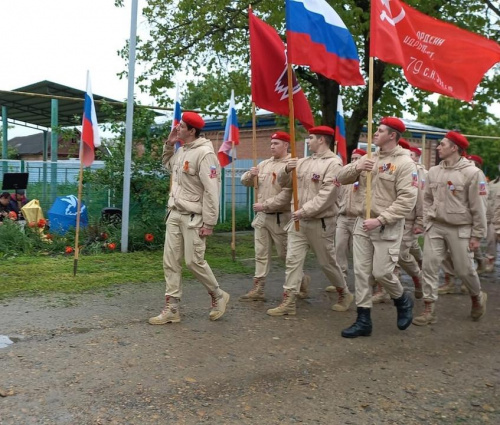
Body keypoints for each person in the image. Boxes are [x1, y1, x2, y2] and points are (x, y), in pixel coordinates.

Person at [337, 117, 417, 338]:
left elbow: (406, 201)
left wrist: (381, 220)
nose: (375, 133)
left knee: (381, 272)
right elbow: (340, 178)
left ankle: (402, 299)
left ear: (392, 135)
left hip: (386, 225)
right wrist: (357, 165)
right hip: (362, 222)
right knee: (361, 274)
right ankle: (363, 320)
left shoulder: (405, 163)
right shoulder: (369, 159)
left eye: (379, 131)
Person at [149, 111, 230, 324]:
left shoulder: (205, 154)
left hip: (194, 216)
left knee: (194, 261)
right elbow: (168, 165)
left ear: (192, 131)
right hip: (174, 213)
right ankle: (172, 309)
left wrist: (210, 222)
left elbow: (212, 191)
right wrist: (170, 143)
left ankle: (218, 295)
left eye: (181, 126)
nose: (177, 128)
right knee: (171, 261)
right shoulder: (182, 150)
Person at [266, 126, 354, 316]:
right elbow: (284, 183)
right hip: (299, 221)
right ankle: (288, 301)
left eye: (311, 137)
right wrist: (286, 170)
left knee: (327, 263)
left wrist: (304, 211)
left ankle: (344, 293)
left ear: (321, 140)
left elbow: (327, 196)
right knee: (292, 260)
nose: (308, 141)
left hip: (320, 222)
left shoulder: (334, 164)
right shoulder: (304, 162)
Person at [413, 132, 488, 326]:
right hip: (436, 226)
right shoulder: (434, 171)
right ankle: (429, 308)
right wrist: (428, 218)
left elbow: (479, 206)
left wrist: (477, 235)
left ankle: (476, 297)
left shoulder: (472, 173)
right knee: (429, 266)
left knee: (464, 270)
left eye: (442, 144)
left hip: (460, 228)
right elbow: (427, 197)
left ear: (454, 148)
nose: (438, 147)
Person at [239, 131, 310, 301]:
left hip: (280, 217)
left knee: (285, 254)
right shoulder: (264, 164)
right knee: (260, 253)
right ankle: (258, 288)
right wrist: (251, 175)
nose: (272, 146)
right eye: (271, 143)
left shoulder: (292, 164)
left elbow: (287, 194)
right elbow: (245, 181)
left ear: (286, 145)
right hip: (262, 217)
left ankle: (301, 281)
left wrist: (265, 205)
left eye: (276, 143)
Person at [326, 148, 366, 290]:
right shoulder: (346, 176)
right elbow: (336, 197)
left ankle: (365, 282)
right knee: (339, 249)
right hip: (343, 217)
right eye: (353, 158)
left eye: (358, 158)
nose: (354, 161)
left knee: (359, 253)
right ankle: (341, 282)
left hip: (358, 218)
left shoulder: (366, 175)